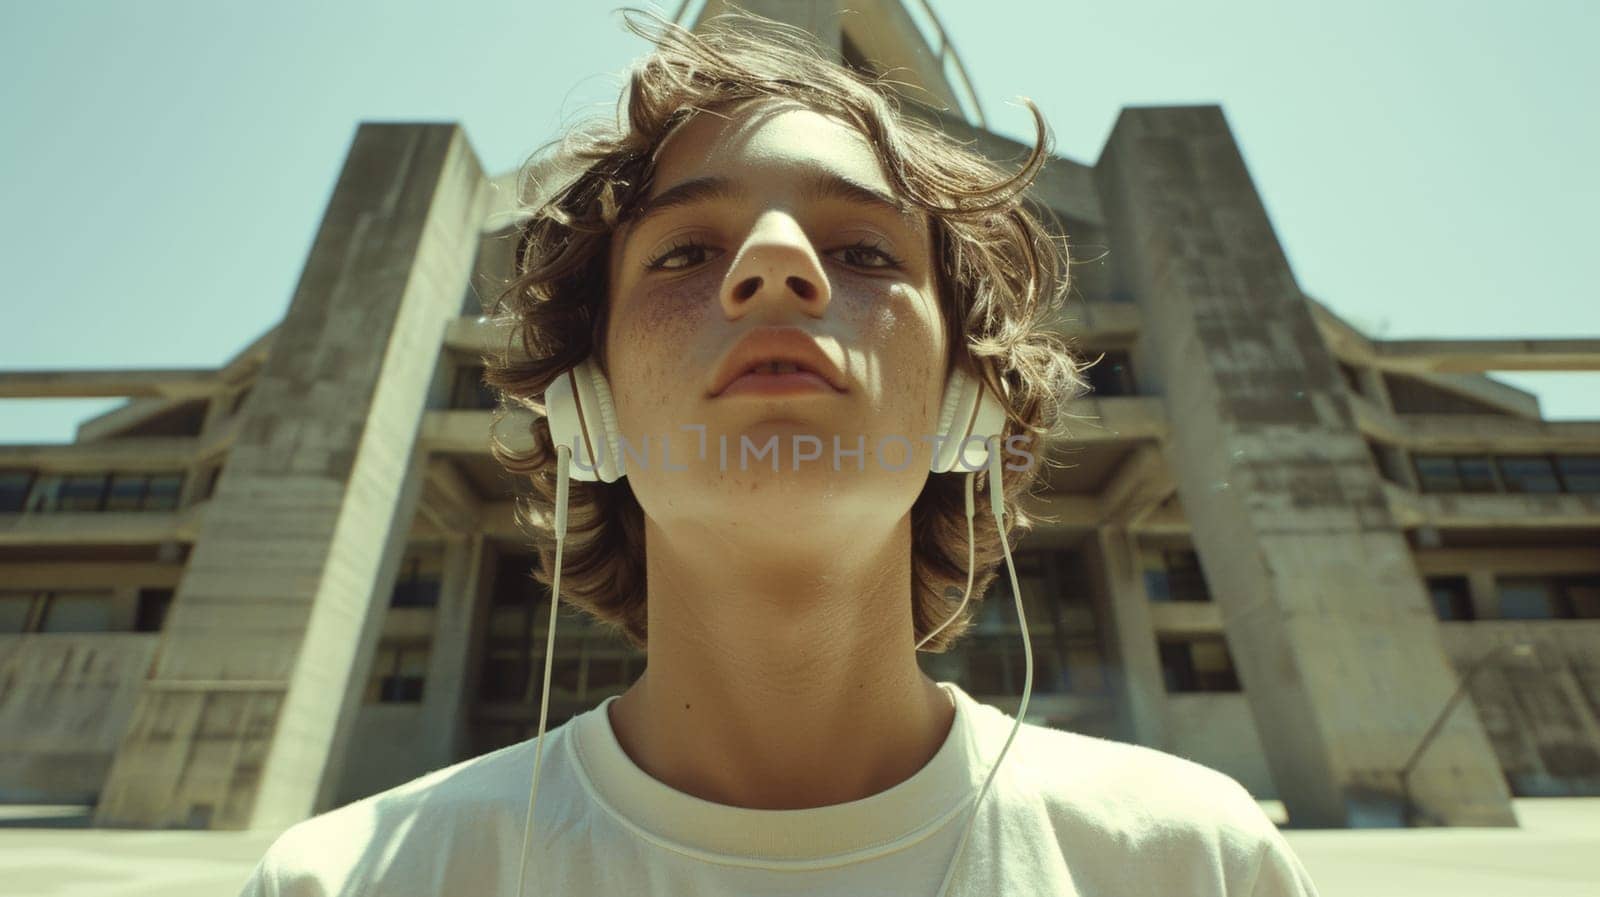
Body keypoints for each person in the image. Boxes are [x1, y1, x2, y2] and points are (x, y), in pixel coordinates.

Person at [238, 7, 1321, 896]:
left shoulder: (1191, 861)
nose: (772, 266)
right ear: (587, 408)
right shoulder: (350, 881)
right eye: (683, 252)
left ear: (967, 403)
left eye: (860, 249)